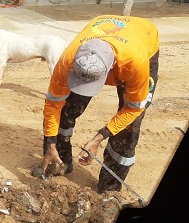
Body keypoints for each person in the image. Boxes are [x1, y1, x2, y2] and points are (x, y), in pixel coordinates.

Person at [36, 15, 159, 193]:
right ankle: (59, 161)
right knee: (65, 108)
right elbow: (54, 104)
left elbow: (134, 108)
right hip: (106, 34)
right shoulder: (67, 60)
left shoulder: (135, 63)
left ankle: (109, 189)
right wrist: (50, 143)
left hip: (143, 38)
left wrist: (98, 138)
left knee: (128, 129)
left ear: (111, 69)